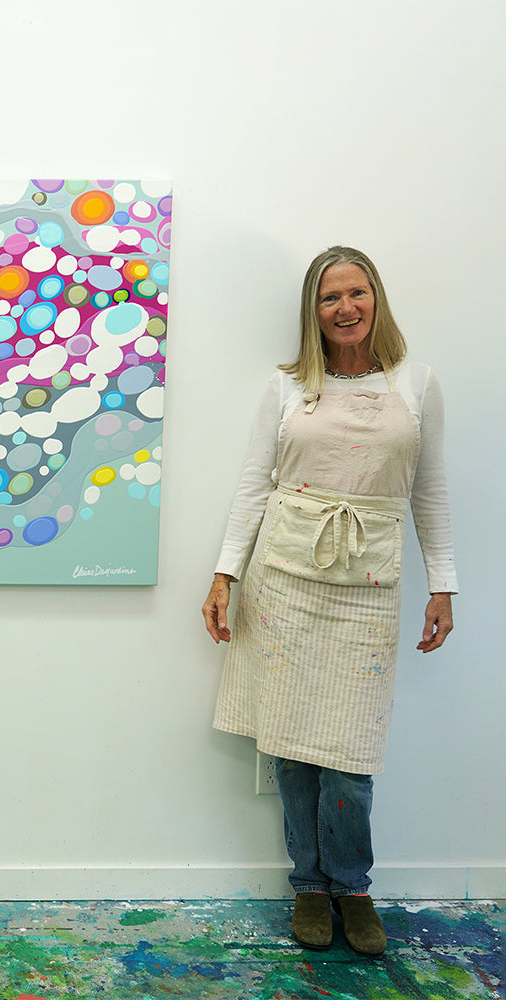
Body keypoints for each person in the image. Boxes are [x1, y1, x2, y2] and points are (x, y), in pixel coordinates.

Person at [201, 246, 457, 957]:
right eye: (329, 297)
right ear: (313, 312)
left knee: (349, 746)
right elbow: (255, 483)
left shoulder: (417, 382)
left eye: (356, 292)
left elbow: (431, 489)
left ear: (377, 298)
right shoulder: (288, 387)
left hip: (368, 583)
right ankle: (310, 886)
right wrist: (225, 574)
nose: (345, 308)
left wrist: (443, 583)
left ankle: (353, 886)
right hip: (285, 578)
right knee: (291, 742)